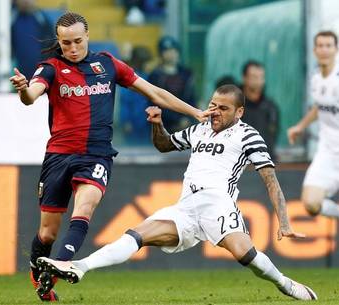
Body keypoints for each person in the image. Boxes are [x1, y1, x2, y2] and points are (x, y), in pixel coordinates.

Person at [36, 85, 318, 301]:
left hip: (218, 205)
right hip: (186, 207)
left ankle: (284, 283)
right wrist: (158, 124)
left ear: (239, 112)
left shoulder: (248, 135)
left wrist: (284, 221)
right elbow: (165, 145)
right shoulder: (200, 129)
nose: (215, 112)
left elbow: (270, 179)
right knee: (137, 234)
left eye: (223, 108)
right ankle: (80, 266)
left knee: (246, 256)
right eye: (212, 105)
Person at [9, 12, 210, 302]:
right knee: (47, 234)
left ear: (87, 36)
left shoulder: (107, 64)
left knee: (85, 207)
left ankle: (61, 265)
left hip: (96, 155)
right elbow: (32, 95)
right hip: (58, 157)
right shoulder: (51, 68)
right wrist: (23, 90)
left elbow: (153, 91)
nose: (73, 48)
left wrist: (194, 112)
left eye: (78, 41)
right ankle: (39, 269)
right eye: (66, 43)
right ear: (59, 42)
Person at [287, 31, 339, 279]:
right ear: (315, 50)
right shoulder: (315, 77)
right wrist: (301, 126)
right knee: (311, 204)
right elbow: (319, 106)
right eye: (320, 45)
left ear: (336, 49)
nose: (324, 49)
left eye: (328, 45)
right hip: (327, 151)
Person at [148, 36, 197, 133]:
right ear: (161, 54)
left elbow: (191, 99)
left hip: (187, 124)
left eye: (173, 50)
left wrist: (189, 118)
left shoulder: (186, 74)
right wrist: (177, 120)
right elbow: (155, 103)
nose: (171, 54)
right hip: (164, 126)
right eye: (166, 51)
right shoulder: (155, 76)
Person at [241, 60, 279, 160]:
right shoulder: (233, 106)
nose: (258, 81)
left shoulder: (271, 108)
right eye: (254, 77)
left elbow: (272, 139)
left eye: (261, 77)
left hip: (264, 164)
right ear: (244, 78)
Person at [11, 0, 54, 79]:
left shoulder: (41, 18)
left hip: (39, 70)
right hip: (18, 70)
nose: (25, 2)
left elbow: (51, 43)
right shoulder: (11, 19)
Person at [120, 46, 153, 145]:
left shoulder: (149, 76)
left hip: (147, 121)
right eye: (146, 62)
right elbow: (124, 102)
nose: (149, 65)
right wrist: (126, 121)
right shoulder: (130, 77)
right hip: (133, 121)